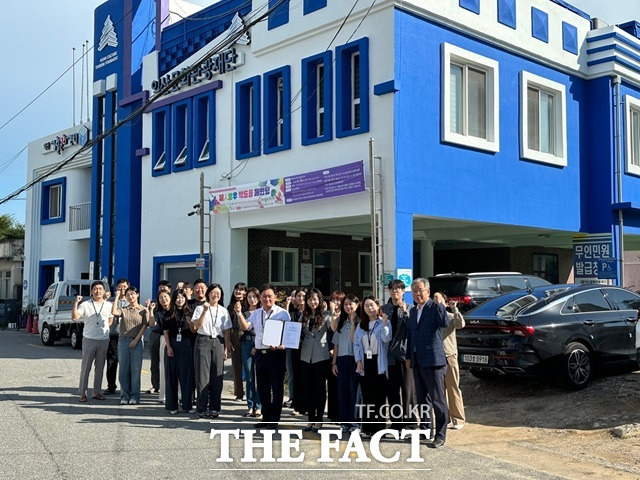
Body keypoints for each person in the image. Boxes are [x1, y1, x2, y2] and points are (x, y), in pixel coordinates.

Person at [236, 284, 291, 429]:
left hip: (276, 354)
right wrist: (239, 313)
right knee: (263, 387)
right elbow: (246, 327)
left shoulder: (282, 313)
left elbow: (288, 336)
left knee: (277, 388)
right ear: (260, 298)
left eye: (269, 296)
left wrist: (280, 345)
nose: (267, 299)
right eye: (264, 296)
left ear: (275, 298)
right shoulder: (256, 313)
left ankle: (274, 419)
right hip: (260, 355)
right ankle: (266, 417)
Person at [406, 278, 450, 448]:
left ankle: (440, 434)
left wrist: (440, 303)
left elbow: (444, 322)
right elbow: (411, 335)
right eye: (414, 291)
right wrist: (409, 356)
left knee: (438, 400)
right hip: (417, 360)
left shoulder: (434, 307)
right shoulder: (412, 311)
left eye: (420, 290)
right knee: (422, 400)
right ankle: (425, 430)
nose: (417, 294)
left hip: (433, 360)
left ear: (428, 291)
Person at [192, 283, 231, 418]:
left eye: (218, 293)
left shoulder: (223, 310)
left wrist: (226, 347)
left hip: (218, 342)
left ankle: (215, 407)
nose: (215, 295)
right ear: (208, 294)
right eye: (213, 292)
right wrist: (204, 310)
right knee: (202, 376)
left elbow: (226, 331)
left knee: (217, 376)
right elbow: (197, 326)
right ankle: (201, 408)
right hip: (203, 340)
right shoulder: (199, 308)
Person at [353, 296, 391, 437]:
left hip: (378, 362)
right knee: (367, 396)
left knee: (379, 397)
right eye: (366, 306)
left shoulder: (383, 323)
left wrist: (385, 324)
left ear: (377, 306)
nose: (369, 308)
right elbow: (356, 344)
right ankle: (368, 429)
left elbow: (386, 339)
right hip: (365, 363)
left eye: (372, 305)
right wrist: (358, 360)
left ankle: (380, 429)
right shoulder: (361, 325)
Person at [381, 280, 416, 430]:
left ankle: (411, 421)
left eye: (398, 289)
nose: (395, 292)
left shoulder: (410, 308)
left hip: (405, 354)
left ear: (403, 292)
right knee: (392, 390)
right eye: (392, 289)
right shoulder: (384, 309)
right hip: (389, 355)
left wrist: (406, 312)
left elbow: (413, 328)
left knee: (408, 390)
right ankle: (396, 422)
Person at [72, 281, 113, 402]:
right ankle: (82, 393)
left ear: (104, 291)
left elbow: (111, 319)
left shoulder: (109, 305)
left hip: (103, 340)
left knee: (100, 368)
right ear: (91, 291)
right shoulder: (85, 304)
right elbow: (75, 317)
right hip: (89, 339)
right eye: (95, 289)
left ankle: (97, 392)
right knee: (86, 368)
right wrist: (75, 303)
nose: (98, 291)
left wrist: (106, 329)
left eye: (100, 289)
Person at [300, 288, 332, 431]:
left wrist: (332, 311)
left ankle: (319, 419)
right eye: (310, 299)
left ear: (320, 300)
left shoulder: (326, 315)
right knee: (307, 388)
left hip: (321, 354)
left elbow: (333, 328)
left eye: (315, 299)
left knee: (319, 389)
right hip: (306, 355)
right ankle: (310, 419)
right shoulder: (303, 316)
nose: (313, 302)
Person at [112, 286, 148, 405]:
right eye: (128, 295)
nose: (131, 296)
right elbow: (114, 312)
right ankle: (124, 395)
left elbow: (144, 326)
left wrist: (136, 340)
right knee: (123, 370)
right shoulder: (124, 309)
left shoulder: (143, 310)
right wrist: (117, 297)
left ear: (137, 295)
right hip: (123, 341)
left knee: (135, 370)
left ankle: (134, 396)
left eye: (133, 294)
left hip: (137, 341)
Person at [435, 292, 466, 430]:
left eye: (439, 300)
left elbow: (460, 324)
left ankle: (458, 419)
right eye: (433, 300)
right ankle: (444, 419)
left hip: (449, 356)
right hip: (435, 358)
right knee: (439, 391)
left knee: (453, 388)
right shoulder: (430, 317)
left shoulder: (451, 316)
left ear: (446, 303)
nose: (436, 303)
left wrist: (455, 309)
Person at [331, 294, 360, 432]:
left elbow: (354, 340)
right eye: (346, 304)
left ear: (357, 305)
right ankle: (345, 422)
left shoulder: (361, 321)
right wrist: (334, 362)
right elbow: (335, 344)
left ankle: (355, 423)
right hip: (342, 359)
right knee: (343, 391)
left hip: (355, 359)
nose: (348, 307)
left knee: (355, 391)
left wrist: (354, 322)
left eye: (351, 304)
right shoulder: (341, 322)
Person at [163, 288, 195, 414]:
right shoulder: (169, 313)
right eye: (177, 297)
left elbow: (194, 330)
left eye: (182, 297)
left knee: (186, 376)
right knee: (171, 375)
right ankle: (172, 405)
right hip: (172, 344)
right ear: (174, 299)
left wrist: (190, 322)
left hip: (186, 344)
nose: (179, 300)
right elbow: (165, 332)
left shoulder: (190, 312)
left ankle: (187, 405)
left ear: (185, 299)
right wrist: (168, 346)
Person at [237, 287, 261, 417]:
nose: (252, 299)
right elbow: (242, 327)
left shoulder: (262, 312)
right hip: (246, 343)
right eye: (249, 297)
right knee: (249, 376)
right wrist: (239, 313)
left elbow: (263, 331)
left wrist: (257, 345)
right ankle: (250, 406)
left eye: (254, 297)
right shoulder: (244, 313)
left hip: (259, 344)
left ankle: (259, 406)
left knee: (259, 375)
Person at [104, 278, 128, 395]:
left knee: (126, 363)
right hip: (113, 335)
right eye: (120, 286)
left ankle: (125, 387)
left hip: (126, 336)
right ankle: (111, 386)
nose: (122, 289)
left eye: (124, 287)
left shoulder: (131, 301)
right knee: (112, 361)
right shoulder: (111, 301)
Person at [147, 289, 171, 400]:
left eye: (165, 297)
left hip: (175, 339)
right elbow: (152, 324)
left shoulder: (175, 310)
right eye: (161, 297)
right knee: (159, 364)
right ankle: (159, 389)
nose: (163, 299)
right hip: (160, 337)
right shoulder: (157, 312)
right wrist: (151, 310)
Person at [228, 282, 248, 402]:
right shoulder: (230, 306)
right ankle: (239, 393)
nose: (238, 292)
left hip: (246, 335)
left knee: (248, 366)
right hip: (234, 335)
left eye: (241, 290)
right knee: (236, 365)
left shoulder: (248, 305)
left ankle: (249, 391)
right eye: (236, 289)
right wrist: (228, 341)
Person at [326, 290, 343, 422]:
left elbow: (334, 328)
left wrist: (333, 313)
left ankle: (340, 413)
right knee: (332, 385)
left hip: (341, 351)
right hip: (329, 351)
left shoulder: (344, 315)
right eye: (334, 299)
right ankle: (332, 414)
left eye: (338, 300)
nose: (336, 302)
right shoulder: (327, 314)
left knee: (339, 385)